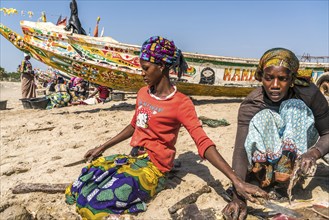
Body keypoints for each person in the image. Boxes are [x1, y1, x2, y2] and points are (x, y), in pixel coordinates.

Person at [65, 36, 267, 218]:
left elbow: (203, 143)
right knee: (84, 180)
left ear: (161, 66)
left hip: (154, 168)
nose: (142, 72)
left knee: (100, 200)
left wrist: (236, 180)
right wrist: (103, 146)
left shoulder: (181, 103)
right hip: (134, 157)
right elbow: (135, 125)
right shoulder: (143, 93)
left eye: (145, 68)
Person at [222, 48, 329, 220]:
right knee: (264, 117)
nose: (275, 85)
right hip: (265, 167)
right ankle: (268, 179)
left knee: (295, 107)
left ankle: (285, 181)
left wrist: (314, 153)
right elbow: (241, 151)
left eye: (283, 79)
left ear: (292, 79)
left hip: (300, 157)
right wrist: (238, 197)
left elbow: (327, 132)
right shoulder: (252, 104)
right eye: (269, 78)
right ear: (261, 77)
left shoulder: (309, 94)